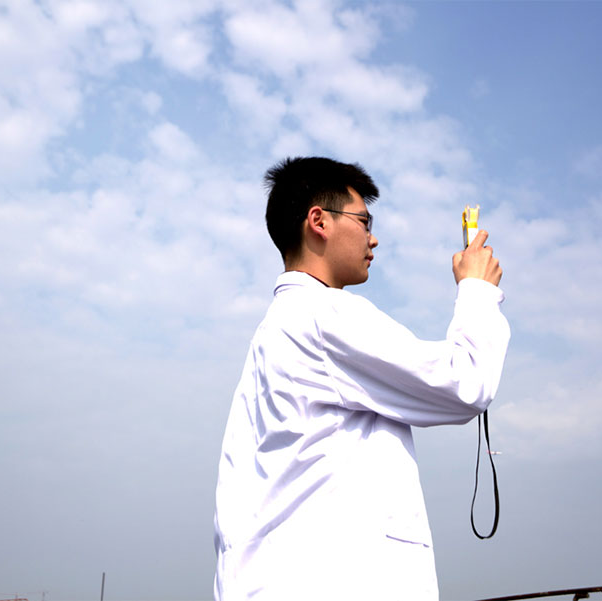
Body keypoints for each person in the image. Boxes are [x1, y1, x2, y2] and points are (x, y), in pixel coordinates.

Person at [213, 157, 510, 601]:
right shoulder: (324, 315)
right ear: (319, 221)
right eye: (364, 221)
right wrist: (478, 290)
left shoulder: (273, 331)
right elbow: (466, 383)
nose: (373, 238)